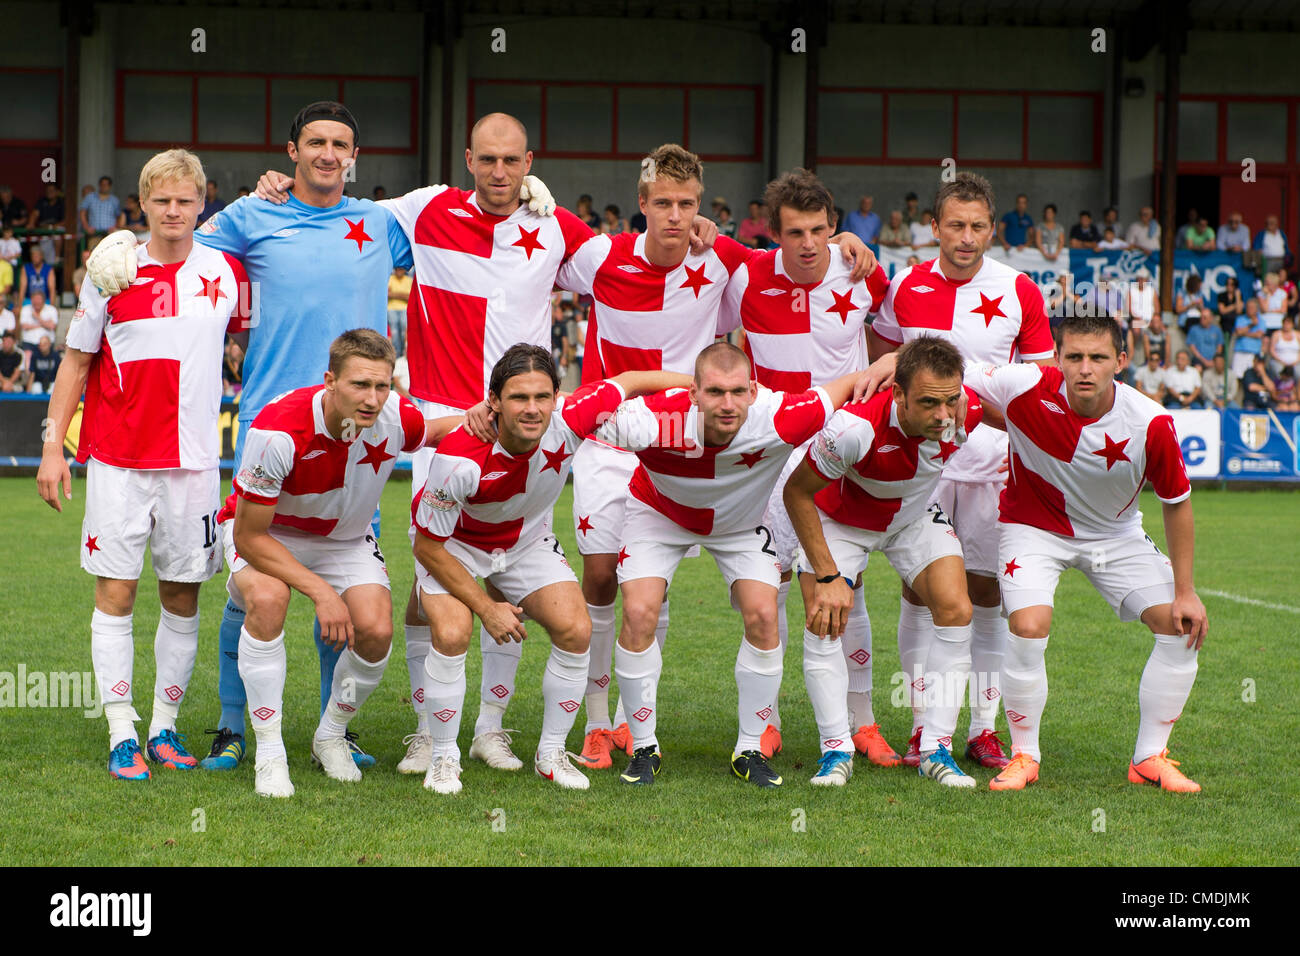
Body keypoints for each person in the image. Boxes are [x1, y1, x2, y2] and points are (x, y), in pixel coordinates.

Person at [89, 101, 419, 772]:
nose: (329, 153)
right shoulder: (246, 216)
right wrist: (116, 242)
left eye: (342, 144)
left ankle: (336, 729)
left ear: (355, 156)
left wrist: (535, 211)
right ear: (291, 150)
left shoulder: (382, 224)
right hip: (271, 429)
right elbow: (172, 235)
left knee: (345, 575)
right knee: (252, 580)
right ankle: (231, 726)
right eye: (316, 142)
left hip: (356, 431)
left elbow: (463, 237)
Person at [557, 150, 875, 770]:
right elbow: (529, 260)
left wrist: (840, 242)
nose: (676, 217)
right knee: (604, 582)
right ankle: (603, 724)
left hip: (709, 431)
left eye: (688, 204)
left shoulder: (724, 259)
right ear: (642, 203)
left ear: (701, 205)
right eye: (664, 203)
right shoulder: (598, 256)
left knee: (755, 601)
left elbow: (793, 257)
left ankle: (757, 735)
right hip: (625, 434)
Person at [36, 148, 250, 781]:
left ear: (201, 203)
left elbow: (257, 340)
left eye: (186, 200)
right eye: (162, 201)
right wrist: (53, 446)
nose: (174, 211)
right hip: (117, 460)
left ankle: (163, 726)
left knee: (183, 597)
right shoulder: (111, 270)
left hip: (193, 463)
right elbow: (75, 362)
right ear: (143, 204)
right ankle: (120, 730)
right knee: (117, 593)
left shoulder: (224, 272)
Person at [411, 345, 688, 794]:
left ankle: (551, 753)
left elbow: (633, 379)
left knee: (576, 628)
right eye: (519, 397)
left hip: (525, 541)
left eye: (543, 396)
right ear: (494, 401)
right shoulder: (459, 456)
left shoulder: (574, 416)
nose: (533, 408)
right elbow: (427, 546)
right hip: (455, 546)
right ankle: (443, 757)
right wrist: (486, 607)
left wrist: (695, 389)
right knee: (452, 631)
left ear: (558, 396)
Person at [594, 343, 863, 787]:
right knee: (640, 611)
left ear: (754, 391)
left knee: (762, 613)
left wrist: (885, 363)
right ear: (693, 392)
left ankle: (750, 748)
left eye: (738, 391)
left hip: (739, 525)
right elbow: (574, 412)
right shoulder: (649, 420)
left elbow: (847, 385)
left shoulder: (782, 416)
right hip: (659, 515)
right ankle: (643, 746)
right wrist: (626, 381)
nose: (727, 404)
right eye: (715, 392)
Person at [962, 314, 1207, 793]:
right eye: (1073, 356)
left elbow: (1177, 506)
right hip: (1032, 530)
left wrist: (1186, 591)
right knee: (1029, 626)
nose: (1085, 368)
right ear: (1056, 358)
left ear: (1121, 360)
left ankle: (1148, 758)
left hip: (1115, 536)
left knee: (1180, 627)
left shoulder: (1151, 422)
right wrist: (889, 362)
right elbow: (953, 374)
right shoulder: (1024, 383)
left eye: (1097, 357)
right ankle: (1024, 755)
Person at [868, 171, 1054, 769]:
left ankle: (982, 727)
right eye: (955, 225)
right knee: (919, 591)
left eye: (977, 226)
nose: (966, 237)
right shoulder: (905, 287)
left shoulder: (1020, 289)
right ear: (934, 227)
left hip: (990, 469)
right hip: (923, 467)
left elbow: (1040, 381)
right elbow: (884, 359)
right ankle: (926, 726)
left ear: (991, 229)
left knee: (987, 592)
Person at [224, 329, 456, 797]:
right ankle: (270, 751)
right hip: (269, 535)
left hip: (346, 541)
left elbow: (432, 431)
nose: (372, 400)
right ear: (330, 381)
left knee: (375, 632)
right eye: (359, 385)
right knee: (269, 599)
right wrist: (322, 592)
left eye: (382, 385)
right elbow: (248, 536)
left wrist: (485, 419)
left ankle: (330, 733)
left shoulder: (395, 415)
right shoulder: (277, 429)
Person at [718, 168, 890, 765]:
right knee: (770, 587)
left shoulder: (863, 271)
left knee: (848, 585)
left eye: (820, 230)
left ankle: (861, 723)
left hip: (840, 447)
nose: (810, 243)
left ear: (835, 227)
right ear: (775, 234)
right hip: (769, 448)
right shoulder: (743, 273)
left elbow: (903, 341)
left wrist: (880, 375)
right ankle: (763, 724)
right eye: (796, 232)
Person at [785, 336, 984, 788]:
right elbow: (796, 492)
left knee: (957, 610)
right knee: (824, 617)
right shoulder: (853, 429)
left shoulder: (963, 409)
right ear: (897, 395)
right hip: (843, 523)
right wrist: (830, 574)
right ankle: (835, 749)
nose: (943, 415)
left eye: (950, 401)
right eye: (929, 403)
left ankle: (935, 748)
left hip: (912, 519)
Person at [1231, 299, 1268, 383]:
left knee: (1251, 378)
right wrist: (1251, 325)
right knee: (1236, 378)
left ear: (1256, 309)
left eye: (1252, 307)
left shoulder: (1261, 321)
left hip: (1253, 354)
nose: (1249, 309)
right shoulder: (1240, 319)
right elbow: (1238, 332)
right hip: (1240, 352)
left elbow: (1259, 335)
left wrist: (1244, 332)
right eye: (1248, 307)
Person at [18, 289, 57, 360]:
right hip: (29, 343)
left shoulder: (52, 309)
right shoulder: (25, 309)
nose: (36, 302)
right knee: (27, 359)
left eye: (39, 299)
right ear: (31, 300)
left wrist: (38, 318)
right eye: (34, 299)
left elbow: (52, 326)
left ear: (44, 300)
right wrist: (44, 324)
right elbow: (24, 326)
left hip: (47, 344)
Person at [79, 176, 121, 241]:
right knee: (93, 250)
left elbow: (119, 216)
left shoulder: (114, 200)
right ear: (99, 185)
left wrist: (115, 227)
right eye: (102, 184)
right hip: (94, 234)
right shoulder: (90, 197)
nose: (104, 187)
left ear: (110, 186)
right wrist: (86, 227)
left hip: (110, 234)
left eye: (106, 185)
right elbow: (82, 212)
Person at [386, 266, 411, 357]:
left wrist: (394, 294)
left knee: (404, 332)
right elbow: (387, 294)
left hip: (404, 309)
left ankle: (403, 353)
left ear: (404, 270)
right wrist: (402, 295)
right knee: (394, 332)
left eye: (401, 269)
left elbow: (409, 297)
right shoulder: (390, 279)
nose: (398, 271)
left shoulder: (409, 280)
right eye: (397, 269)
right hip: (392, 309)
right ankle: (396, 354)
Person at [1266, 313, 1300, 380]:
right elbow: (1272, 350)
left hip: (1295, 362)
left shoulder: (1298, 335)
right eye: (1285, 323)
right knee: (1278, 370)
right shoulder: (1276, 334)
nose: (1286, 325)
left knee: (1298, 372)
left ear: (1293, 324)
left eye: (1289, 323)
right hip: (1279, 361)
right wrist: (1282, 361)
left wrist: (1295, 362)